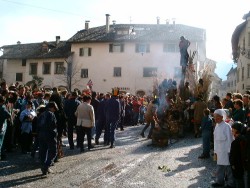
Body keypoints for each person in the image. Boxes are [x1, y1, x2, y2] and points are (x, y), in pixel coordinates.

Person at [212, 109, 235, 188]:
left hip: (226, 151)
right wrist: (215, 151)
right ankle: (219, 181)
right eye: (214, 117)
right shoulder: (217, 126)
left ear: (222, 117)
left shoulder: (227, 126)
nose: (215, 119)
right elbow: (215, 140)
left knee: (228, 169)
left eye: (217, 117)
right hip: (219, 151)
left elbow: (230, 139)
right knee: (219, 168)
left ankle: (231, 184)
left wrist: (230, 151)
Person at [37, 101, 58, 175]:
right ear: (52, 107)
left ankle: (43, 167)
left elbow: (38, 124)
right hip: (49, 134)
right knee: (53, 151)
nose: (54, 110)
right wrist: (55, 134)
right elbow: (53, 125)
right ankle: (46, 166)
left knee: (43, 151)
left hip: (41, 134)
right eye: (54, 108)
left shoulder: (42, 114)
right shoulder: (51, 114)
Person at [229, 122, 246, 188]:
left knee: (239, 181)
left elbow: (233, 156)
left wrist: (232, 164)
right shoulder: (243, 138)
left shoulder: (236, 142)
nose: (231, 130)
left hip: (237, 166)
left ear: (236, 130)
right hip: (243, 165)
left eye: (232, 129)